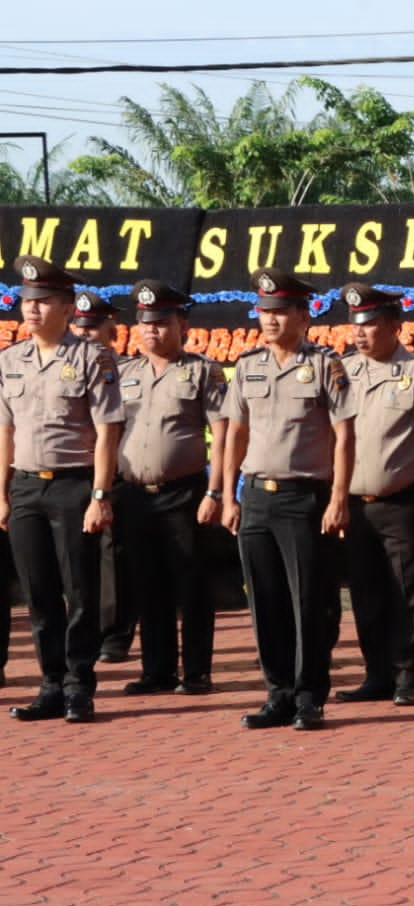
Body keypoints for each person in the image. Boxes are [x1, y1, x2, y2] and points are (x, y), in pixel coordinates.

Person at [220, 268, 355, 731]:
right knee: (266, 601)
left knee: (308, 602)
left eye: (280, 312)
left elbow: (343, 434)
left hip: (305, 497)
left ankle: (309, 696)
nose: (271, 320)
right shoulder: (247, 366)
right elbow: (235, 432)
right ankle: (277, 693)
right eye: (265, 311)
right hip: (256, 495)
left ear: (304, 316)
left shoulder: (323, 365)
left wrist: (339, 496)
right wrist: (226, 493)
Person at [0, 256, 124, 723]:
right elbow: (5, 432)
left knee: (80, 592)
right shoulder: (10, 361)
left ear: (68, 308)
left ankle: (79, 686)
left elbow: (107, 431)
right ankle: (50, 685)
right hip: (28, 487)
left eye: (43, 302)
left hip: (74, 487)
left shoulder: (93, 358)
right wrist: (3, 493)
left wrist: (99, 495)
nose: (31, 310)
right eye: (27, 302)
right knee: (39, 596)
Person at [333, 283, 414, 708]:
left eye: (370, 325)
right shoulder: (342, 371)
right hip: (355, 504)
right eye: (356, 326)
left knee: (410, 591)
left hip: (406, 501)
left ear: (393, 326)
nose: (360, 334)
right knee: (366, 593)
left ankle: (408, 676)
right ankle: (377, 675)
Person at [114, 279, 228, 697]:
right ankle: (156, 670)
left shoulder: (202, 370)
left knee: (192, 584)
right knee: (148, 584)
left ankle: (196, 671)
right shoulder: (125, 373)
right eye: (145, 324)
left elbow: (223, 432)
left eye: (161, 323)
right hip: (135, 495)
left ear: (181, 324)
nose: (151, 331)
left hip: (185, 493)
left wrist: (216, 493)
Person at [70, 292, 138, 664]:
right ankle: (82, 627)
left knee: (114, 555)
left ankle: (114, 633)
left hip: (115, 473)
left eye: (93, 327)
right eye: (80, 327)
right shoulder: (64, 366)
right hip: (74, 471)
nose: (85, 333)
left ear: (112, 329)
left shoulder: (127, 371)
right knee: (75, 555)